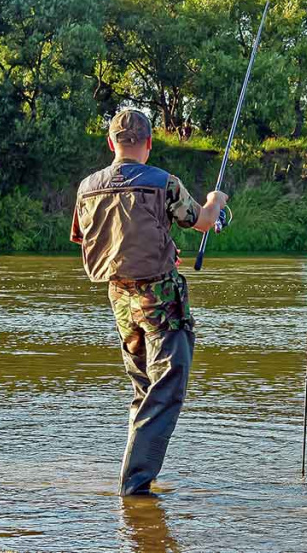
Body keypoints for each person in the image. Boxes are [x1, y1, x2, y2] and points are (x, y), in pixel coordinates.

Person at [70, 109, 228, 496]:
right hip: (160, 300)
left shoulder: (87, 187)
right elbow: (203, 220)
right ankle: (135, 486)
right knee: (167, 386)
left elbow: (88, 238)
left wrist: (161, 244)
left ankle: (138, 496)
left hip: (119, 299)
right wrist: (216, 200)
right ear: (149, 143)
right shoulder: (164, 182)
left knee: (144, 388)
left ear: (111, 144)